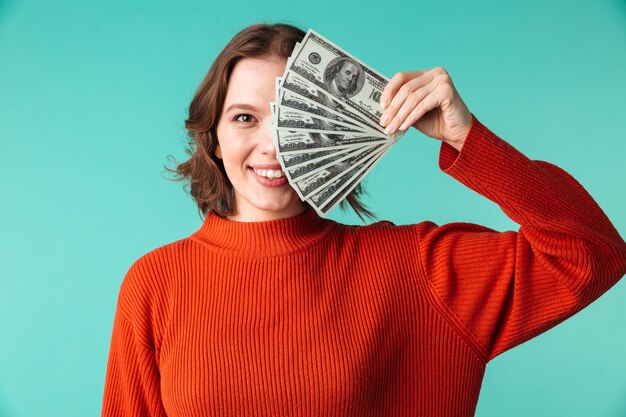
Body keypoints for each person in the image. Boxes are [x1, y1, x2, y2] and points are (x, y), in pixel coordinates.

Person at [101, 23, 626, 417]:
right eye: (245, 118)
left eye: (293, 118)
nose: (273, 145)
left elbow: (591, 253)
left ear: (332, 127)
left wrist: (469, 140)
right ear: (213, 136)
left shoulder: (415, 270)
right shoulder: (156, 283)